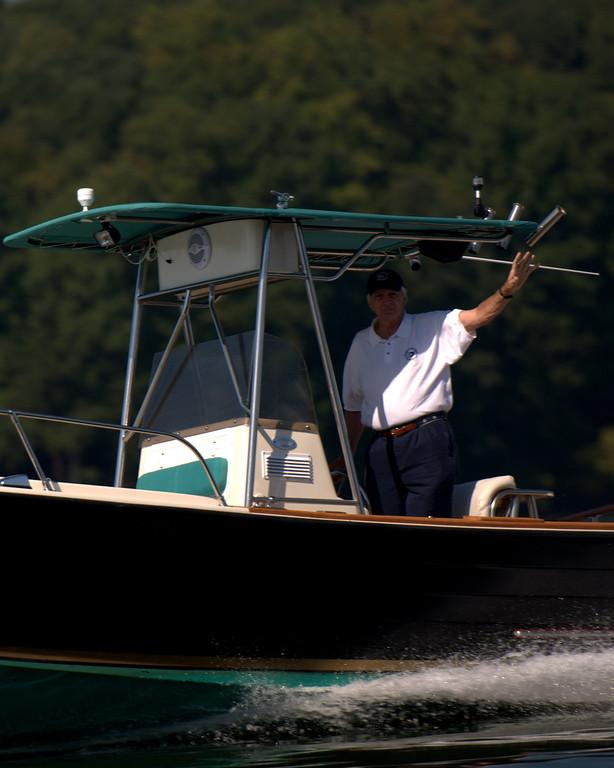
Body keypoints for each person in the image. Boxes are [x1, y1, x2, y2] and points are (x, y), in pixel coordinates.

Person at [338, 250, 538, 517]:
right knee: (384, 523)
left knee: (425, 518)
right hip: (381, 447)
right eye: (379, 296)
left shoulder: (433, 325)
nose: (387, 301)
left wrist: (507, 290)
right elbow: (353, 407)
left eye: (393, 295)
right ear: (370, 302)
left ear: (404, 297)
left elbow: (479, 316)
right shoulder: (361, 342)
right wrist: (345, 458)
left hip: (426, 438)